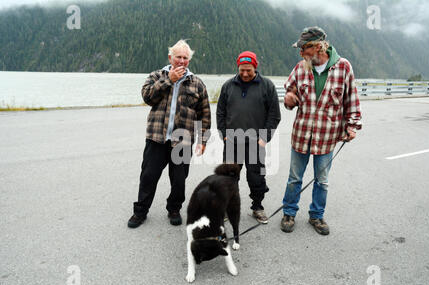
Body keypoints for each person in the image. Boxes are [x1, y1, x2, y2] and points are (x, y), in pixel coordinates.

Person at [280, 27, 362, 235]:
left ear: (318, 47)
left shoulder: (343, 67)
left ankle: (316, 216)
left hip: (326, 137)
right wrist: (289, 99)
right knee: (294, 178)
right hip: (301, 135)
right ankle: (288, 212)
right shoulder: (300, 68)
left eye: (304, 48)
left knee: (322, 181)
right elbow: (289, 93)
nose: (300, 53)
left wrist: (352, 126)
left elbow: (351, 100)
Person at [128, 39, 211, 228]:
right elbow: (147, 97)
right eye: (178, 57)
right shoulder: (156, 76)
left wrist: (203, 140)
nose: (181, 61)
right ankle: (140, 212)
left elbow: (204, 114)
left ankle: (174, 209)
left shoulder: (197, 83)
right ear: (170, 57)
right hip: (157, 138)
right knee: (148, 177)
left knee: (179, 180)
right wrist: (169, 81)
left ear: (189, 60)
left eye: (185, 58)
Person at [217, 51, 281, 224]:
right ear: (238, 67)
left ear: (255, 67)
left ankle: (257, 207)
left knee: (256, 177)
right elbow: (220, 113)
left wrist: (264, 138)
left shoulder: (267, 86)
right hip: (232, 141)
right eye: (242, 70)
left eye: (249, 70)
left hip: (255, 142)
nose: (245, 74)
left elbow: (274, 115)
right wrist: (224, 136)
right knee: (228, 178)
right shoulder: (228, 86)